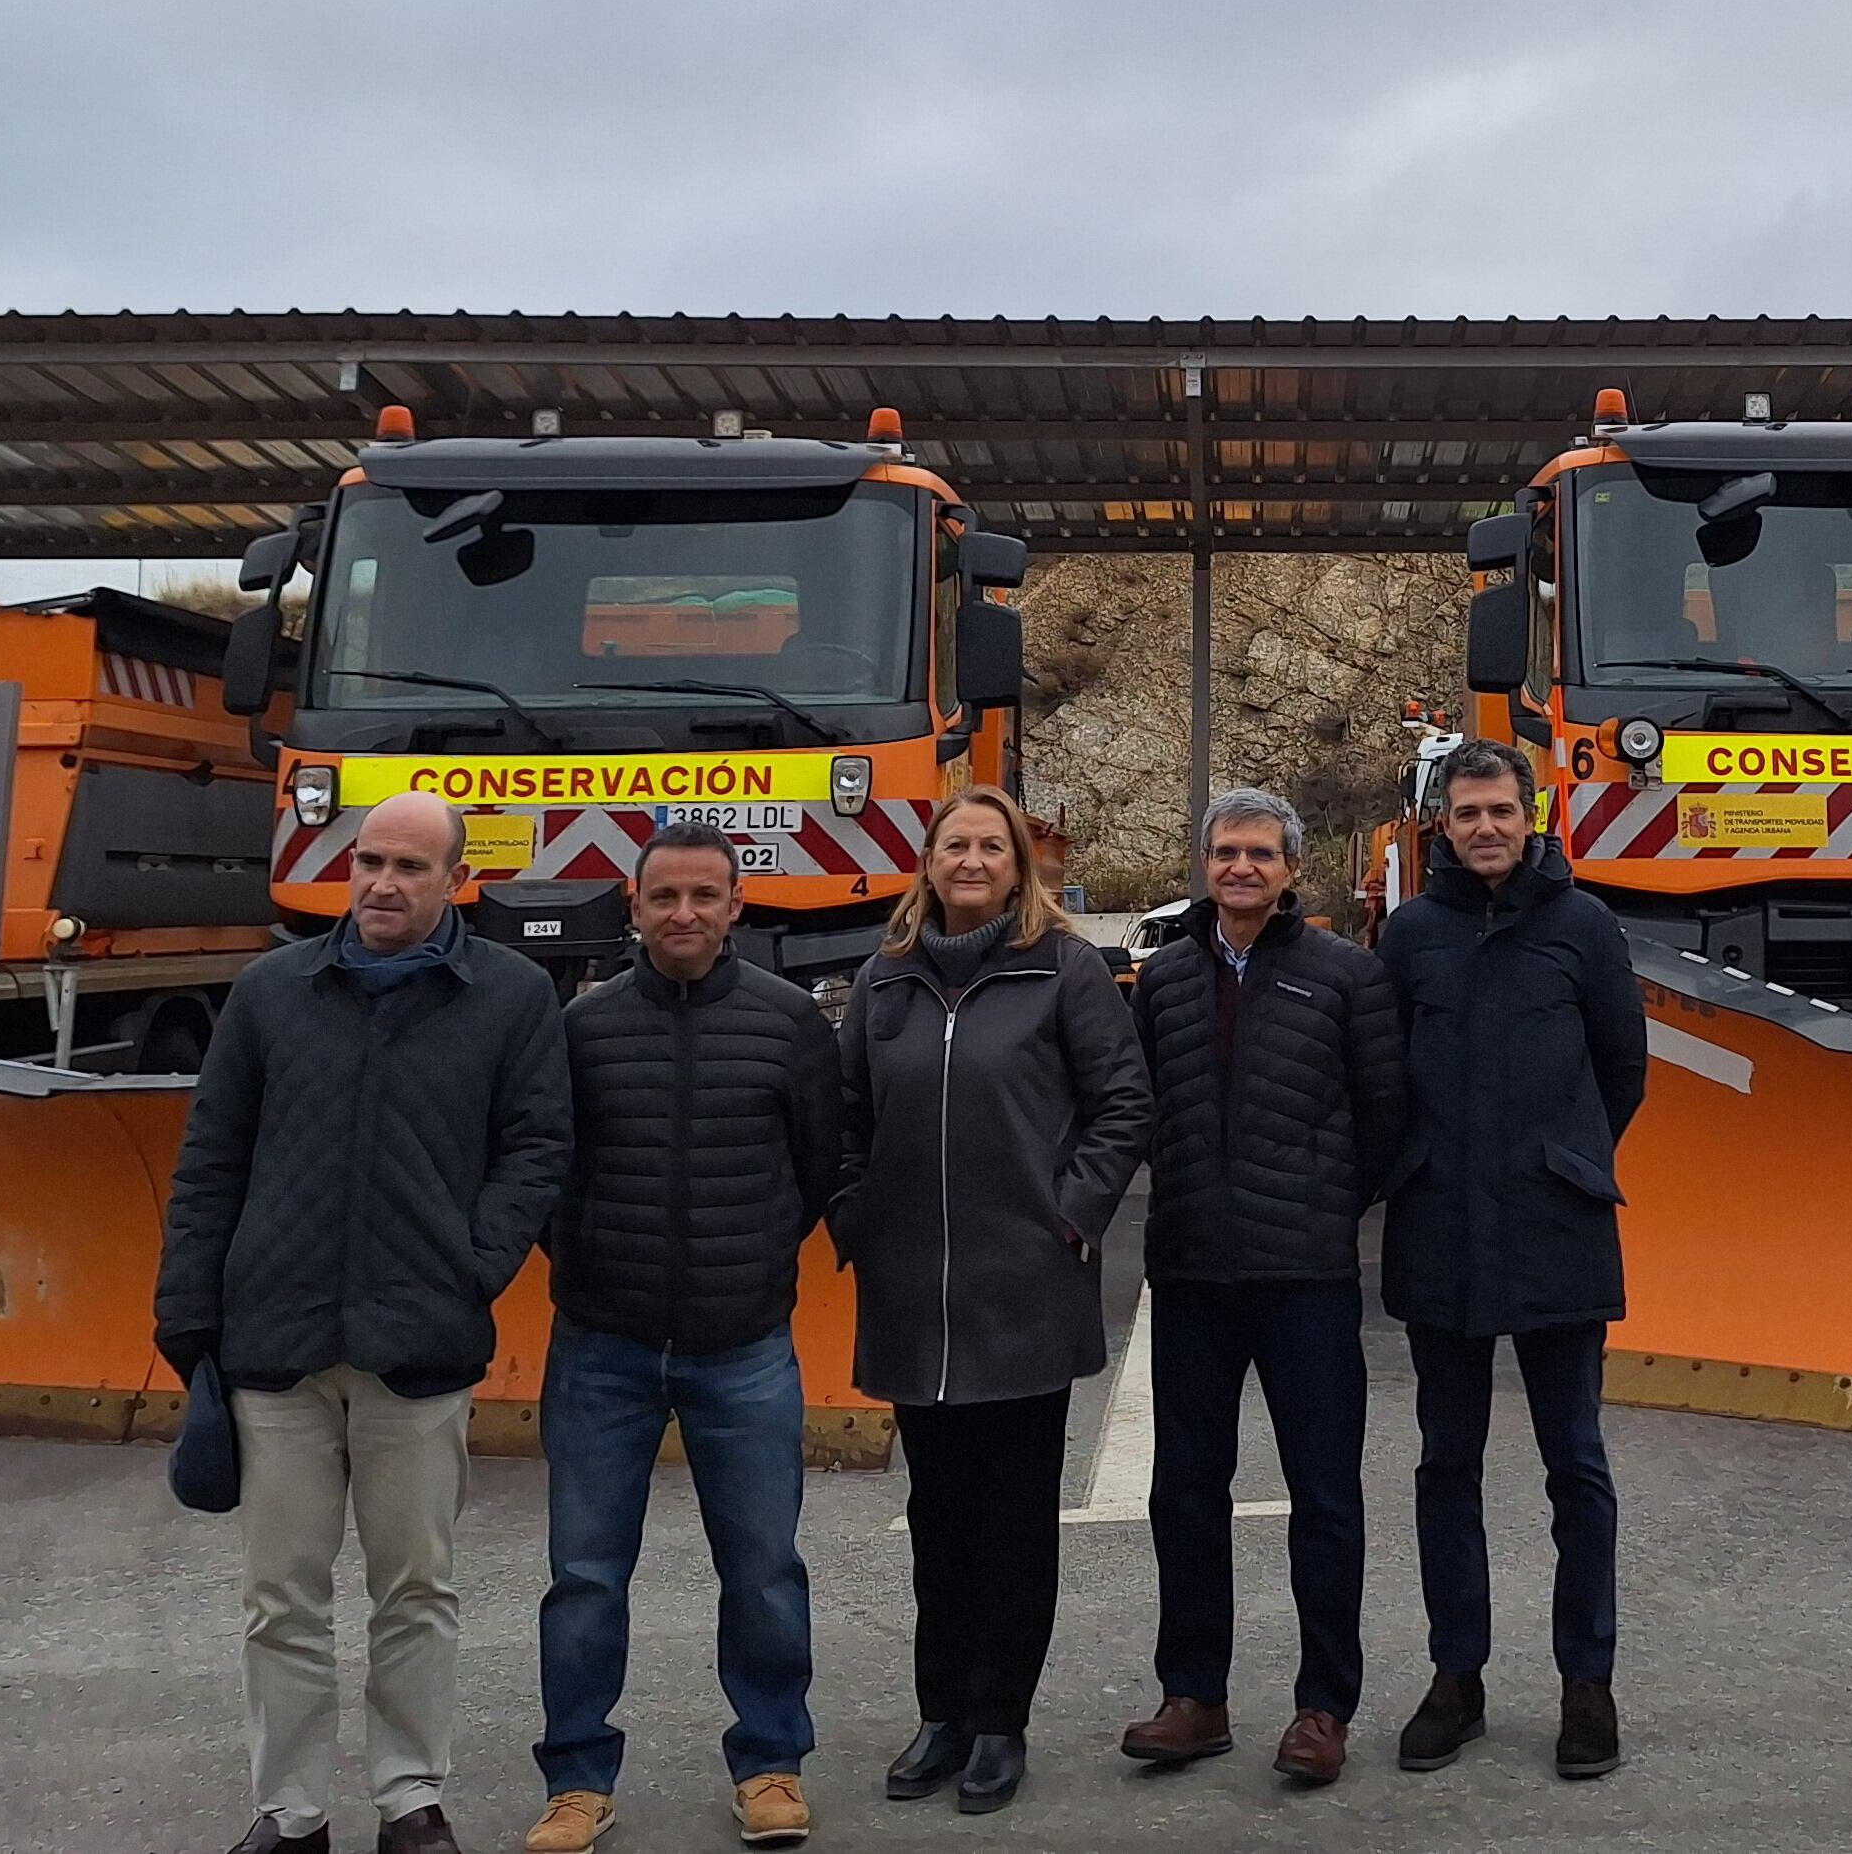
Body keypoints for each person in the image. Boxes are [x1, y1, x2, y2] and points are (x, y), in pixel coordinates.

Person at [156, 789, 574, 1854]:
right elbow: (211, 1160)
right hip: (276, 1347)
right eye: (369, 863)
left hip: (419, 1348)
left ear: (454, 882)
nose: (384, 884)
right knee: (279, 1599)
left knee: (416, 1587)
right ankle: (290, 1812)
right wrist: (190, 1317)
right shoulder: (270, 994)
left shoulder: (512, 999)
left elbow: (538, 1148)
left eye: (410, 868)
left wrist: (469, 1268)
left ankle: (409, 1801)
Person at [522, 824, 847, 1854]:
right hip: (602, 1345)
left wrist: (746, 1259)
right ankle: (576, 1781)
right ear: (634, 904)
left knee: (761, 1570)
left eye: (706, 896)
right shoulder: (583, 1028)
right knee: (583, 1576)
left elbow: (815, 1163)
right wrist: (587, 1263)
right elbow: (546, 1169)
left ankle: (771, 1765)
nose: (685, 915)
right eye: (666, 897)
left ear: (737, 905)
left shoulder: (793, 1024)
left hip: (742, 1345)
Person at [835, 785, 1150, 1817]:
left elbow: (1121, 1103)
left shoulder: (1065, 973)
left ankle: (1000, 1721)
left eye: (990, 846)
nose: (970, 859)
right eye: (953, 844)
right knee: (939, 1516)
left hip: (1023, 1291)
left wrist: (1070, 1216)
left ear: (1020, 867)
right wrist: (857, 1217)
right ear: (927, 862)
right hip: (912, 1297)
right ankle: (941, 1714)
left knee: (1015, 1522)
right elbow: (844, 1118)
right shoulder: (885, 983)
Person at [1117, 789, 1408, 1789]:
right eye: (1224, 852)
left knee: (1325, 1498)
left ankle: (1323, 1707)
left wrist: (1326, 1206)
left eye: (1260, 854)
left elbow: (1383, 1118)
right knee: (1184, 1494)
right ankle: (1193, 1697)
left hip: (1306, 1281)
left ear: (1290, 870)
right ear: (1203, 865)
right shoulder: (1161, 980)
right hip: (1192, 1270)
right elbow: (1140, 1105)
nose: (1240, 868)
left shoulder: (1348, 978)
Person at [1375, 739, 1649, 1783]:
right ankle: (1457, 1679)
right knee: (1447, 1464)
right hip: (1441, 1227)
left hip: (1555, 1230)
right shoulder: (1411, 937)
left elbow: (1621, 1068)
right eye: (1466, 813)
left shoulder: (1583, 929)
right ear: (1440, 825)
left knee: (1574, 1464)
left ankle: (1588, 1682)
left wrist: (1565, 1158)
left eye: (1501, 811)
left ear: (1532, 816)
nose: (1484, 828)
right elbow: (1384, 1074)